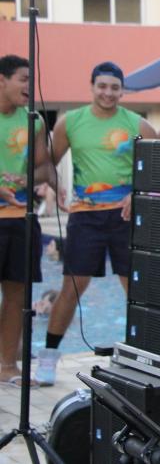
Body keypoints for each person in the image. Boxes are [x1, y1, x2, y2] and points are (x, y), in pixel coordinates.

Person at [39, 61, 156, 385]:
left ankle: (142, 353)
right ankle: (48, 356)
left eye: (114, 87)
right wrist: (55, 186)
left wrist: (138, 193)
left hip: (126, 216)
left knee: (135, 289)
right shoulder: (70, 122)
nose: (108, 93)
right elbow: (47, 162)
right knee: (73, 287)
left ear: (122, 91)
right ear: (92, 87)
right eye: (102, 86)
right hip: (85, 216)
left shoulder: (140, 125)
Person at [0, 55, 53, 385]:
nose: (29, 86)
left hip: (21, 218)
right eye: (23, 79)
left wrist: (28, 178)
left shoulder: (34, 120)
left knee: (17, 294)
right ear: (2, 80)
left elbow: (44, 167)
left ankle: (7, 365)